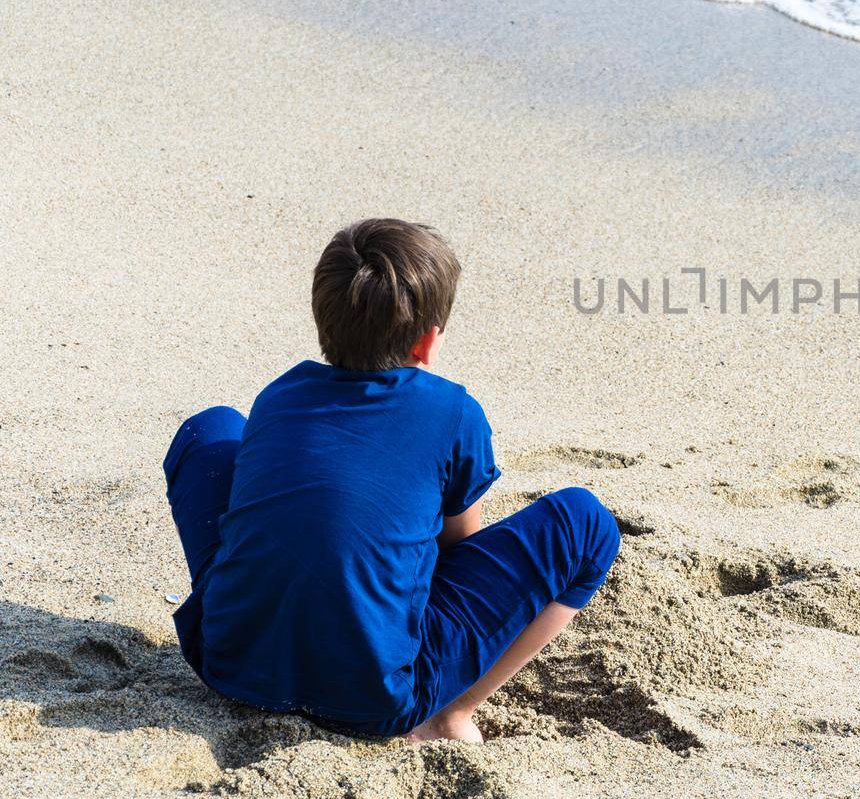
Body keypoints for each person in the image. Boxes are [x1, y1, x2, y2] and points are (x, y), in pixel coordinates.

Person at [161, 218, 619, 742]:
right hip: (374, 701)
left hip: (228, 663)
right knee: (587, 525)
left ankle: (270, 620)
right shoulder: (452, 412)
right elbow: (460, 550)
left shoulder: (278, 395)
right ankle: (449, 713)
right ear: (427, 343)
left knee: (212, 430)